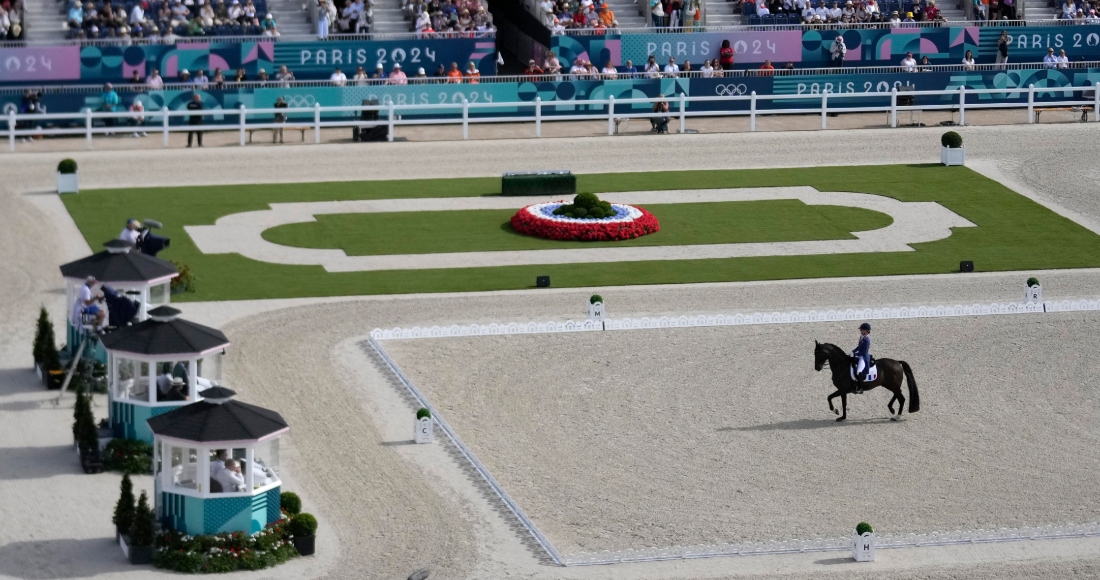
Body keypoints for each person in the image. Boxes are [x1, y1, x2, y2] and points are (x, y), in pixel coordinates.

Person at [851, 322, 871, 392]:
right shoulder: (862, 337)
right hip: (859, 355)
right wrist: (853, 351)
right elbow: (859, 347)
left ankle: (861, 388)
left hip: (863, 357)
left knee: (859, 371)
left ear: (866, 330)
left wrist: (855, 354)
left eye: (861, 330)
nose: (860, 331)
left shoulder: (867, 340)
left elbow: (864, 352)